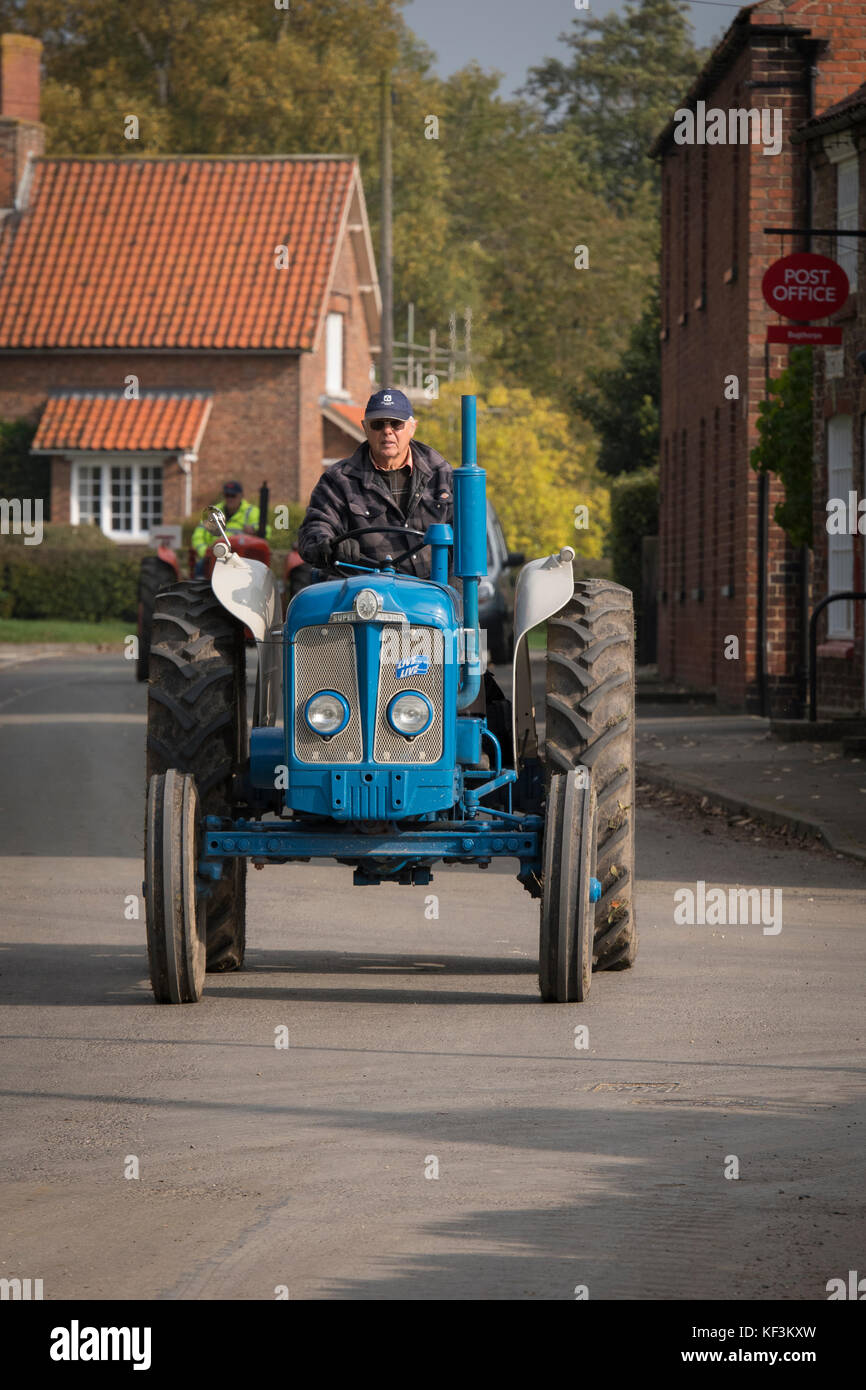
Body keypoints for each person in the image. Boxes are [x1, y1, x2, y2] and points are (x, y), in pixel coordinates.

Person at [297, 389, 453, 579]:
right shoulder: (338, 480)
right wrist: (330, 544)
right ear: (365, 428)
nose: (387, 431)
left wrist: (451, 591)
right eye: (378, 424)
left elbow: (469, 540)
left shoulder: (442, 474)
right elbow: (317, 526)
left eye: (396, 424)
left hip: (431, 595)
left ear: (412, 427)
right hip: (364, 596)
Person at [191, 481, 266, 576]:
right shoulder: (213, 512)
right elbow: (198, 536)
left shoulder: (252, 512)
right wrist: (205, 552)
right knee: (200, 570)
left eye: (233, 495)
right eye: (227, 495)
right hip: (215, 557)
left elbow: (266, 530)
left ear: (241, 496)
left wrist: (255, 530)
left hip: (244, 559)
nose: (230, 499)